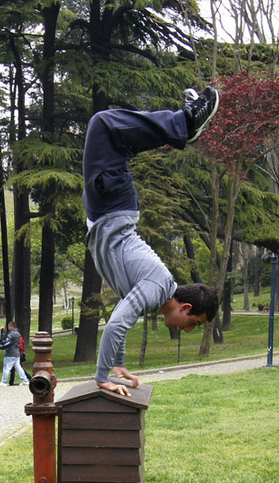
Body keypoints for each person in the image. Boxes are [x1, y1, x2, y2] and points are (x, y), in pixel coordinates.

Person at [83, 87, 221, 397]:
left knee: (118, 139)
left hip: (105, 209)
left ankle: (181, 128)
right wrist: (102, 377)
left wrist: (117, 365)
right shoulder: (157, 288)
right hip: (112, 205)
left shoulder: (153, 295)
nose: (186, 331)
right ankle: (184, 124)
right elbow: (116, 325)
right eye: (192, 324)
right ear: (185, 307)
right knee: (104, 126)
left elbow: (121, 319)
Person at [0, 322, 30, 387]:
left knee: (6, 368)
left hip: (10, 354)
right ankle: (25, 380)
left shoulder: (12, 334)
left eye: (9, 327)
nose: (9, 328)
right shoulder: (18, 333)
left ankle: (4, 382)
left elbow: (6, 340)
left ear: (11, 326)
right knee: (18, 368)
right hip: (16, 353)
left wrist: (3, 332)